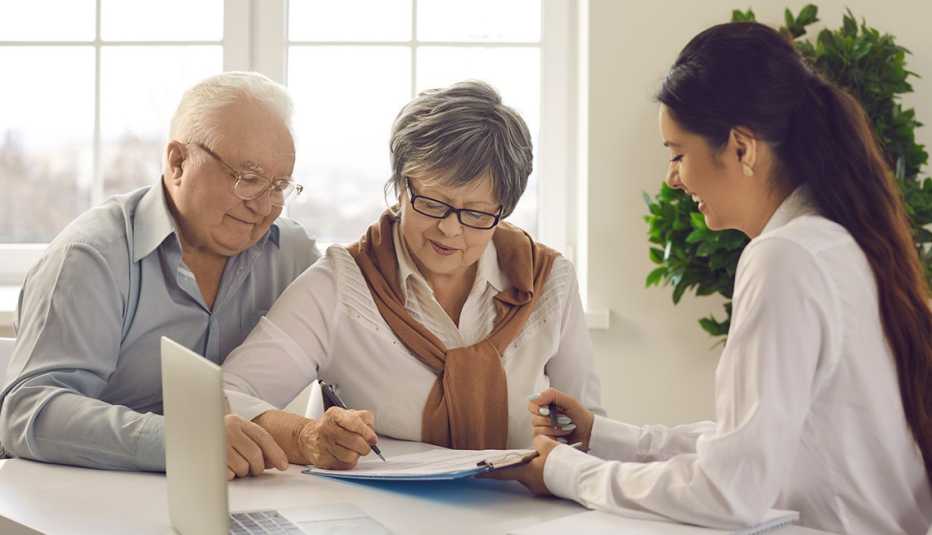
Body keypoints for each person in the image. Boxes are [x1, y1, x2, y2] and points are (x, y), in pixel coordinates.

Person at [492, 22, 932, 535]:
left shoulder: (785, 258)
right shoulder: (838, 241)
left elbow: (730, 491)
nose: (671, 178)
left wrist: (567, 471)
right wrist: (604, 438)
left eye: (678, 154)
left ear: (742, 148)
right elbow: (753, 441)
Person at [220, 80, 604, 479]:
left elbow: (587, 428)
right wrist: (308, 436)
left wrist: (566, 453)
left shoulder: (549, 281)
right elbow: (224, 397)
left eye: (475, 214)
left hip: (525, 512)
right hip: (372, 516)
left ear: (503, 209)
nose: (449, 231)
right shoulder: (339, 285)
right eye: (432, 204)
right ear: (401, 187)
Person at [0, 72, 319, 472]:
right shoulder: (90, 256)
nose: (264, 205)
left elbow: (358, 335)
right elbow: (26, 413)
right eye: (249, 179)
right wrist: (183, 440)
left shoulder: (289, 253)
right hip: (82, 500)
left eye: (279, 186)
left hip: (229, 499)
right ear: (178, 161)